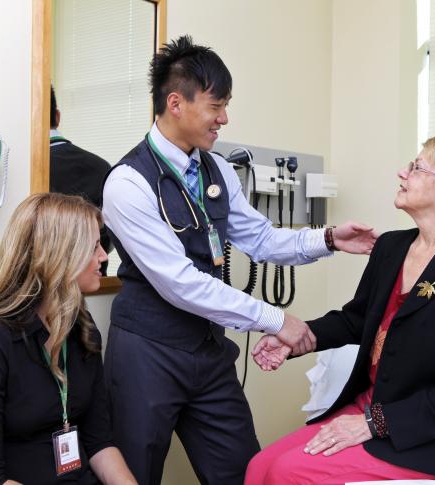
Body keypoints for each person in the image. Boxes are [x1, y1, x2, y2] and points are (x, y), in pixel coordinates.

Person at [100, 35, 379, 485]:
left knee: (243, 471)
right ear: (176, 103)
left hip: (207, 352)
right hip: (147, 354)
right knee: (134, 474)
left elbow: (261, 238)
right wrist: (275, 320)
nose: (224, 119)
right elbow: (180, 282)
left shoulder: (218, 169)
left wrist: (328, 238)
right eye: (216, 106)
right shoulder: (127, 183)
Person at [248, 134, 435, 483]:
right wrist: (298, 337)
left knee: (288, 472)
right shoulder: (391, 247)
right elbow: (357, 319)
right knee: (259, 465)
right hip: (370, 405)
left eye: (417, 168)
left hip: (428, 435)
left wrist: (373, 424)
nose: (402, 173)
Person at [0, 193, 136, 485]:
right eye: (94, 247)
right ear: (60, 255)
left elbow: (100, 442)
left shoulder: (80, 326)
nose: (103, 257)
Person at [50, 86, 113, 274]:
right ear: (58, 117)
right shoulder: (102, 167)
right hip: (96, 279)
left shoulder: (27, 168)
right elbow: (110, 237)